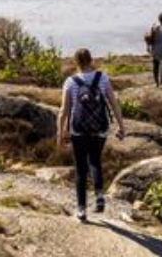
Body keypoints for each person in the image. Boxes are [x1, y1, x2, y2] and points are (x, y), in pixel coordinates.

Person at [57, 48, 126, 223]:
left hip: (78, 130)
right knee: (95, 160)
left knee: (81, 169)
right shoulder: (102, 78)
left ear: (76, 62)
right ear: (91, 60)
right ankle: (100, 195)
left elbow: (64, 111)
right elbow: (114, 103)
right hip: (99, 129)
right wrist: (121, 126)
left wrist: (61, 133)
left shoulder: (70, 82)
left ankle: (81, 210)